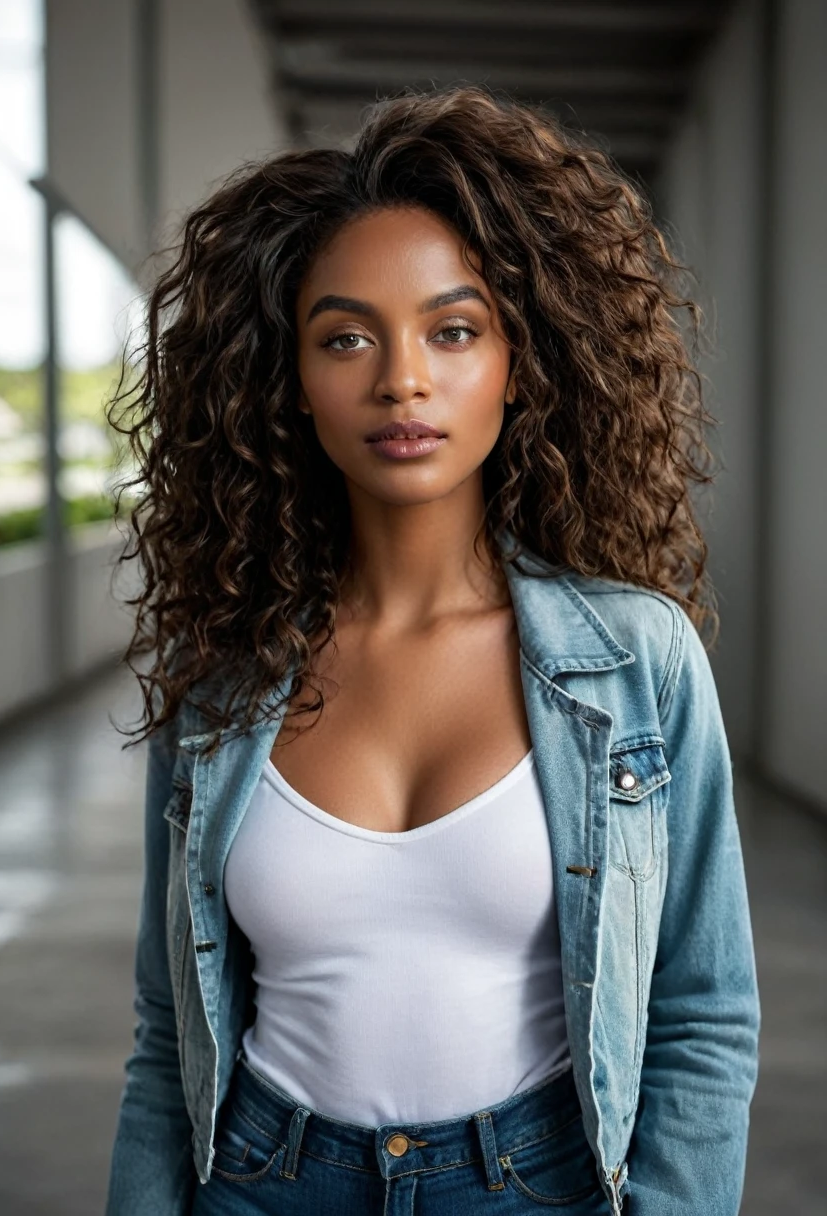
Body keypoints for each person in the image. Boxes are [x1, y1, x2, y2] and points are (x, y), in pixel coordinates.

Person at [104, 85, 760, 1216]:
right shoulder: (221, 676)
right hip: (263, 1181)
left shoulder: (635, 663)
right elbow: (172, 1031)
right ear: (290, 382)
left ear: (519, 360)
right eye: (345, 336)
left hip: (537, 1184)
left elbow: (700, 1017)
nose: (400, 378)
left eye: (452, 329)